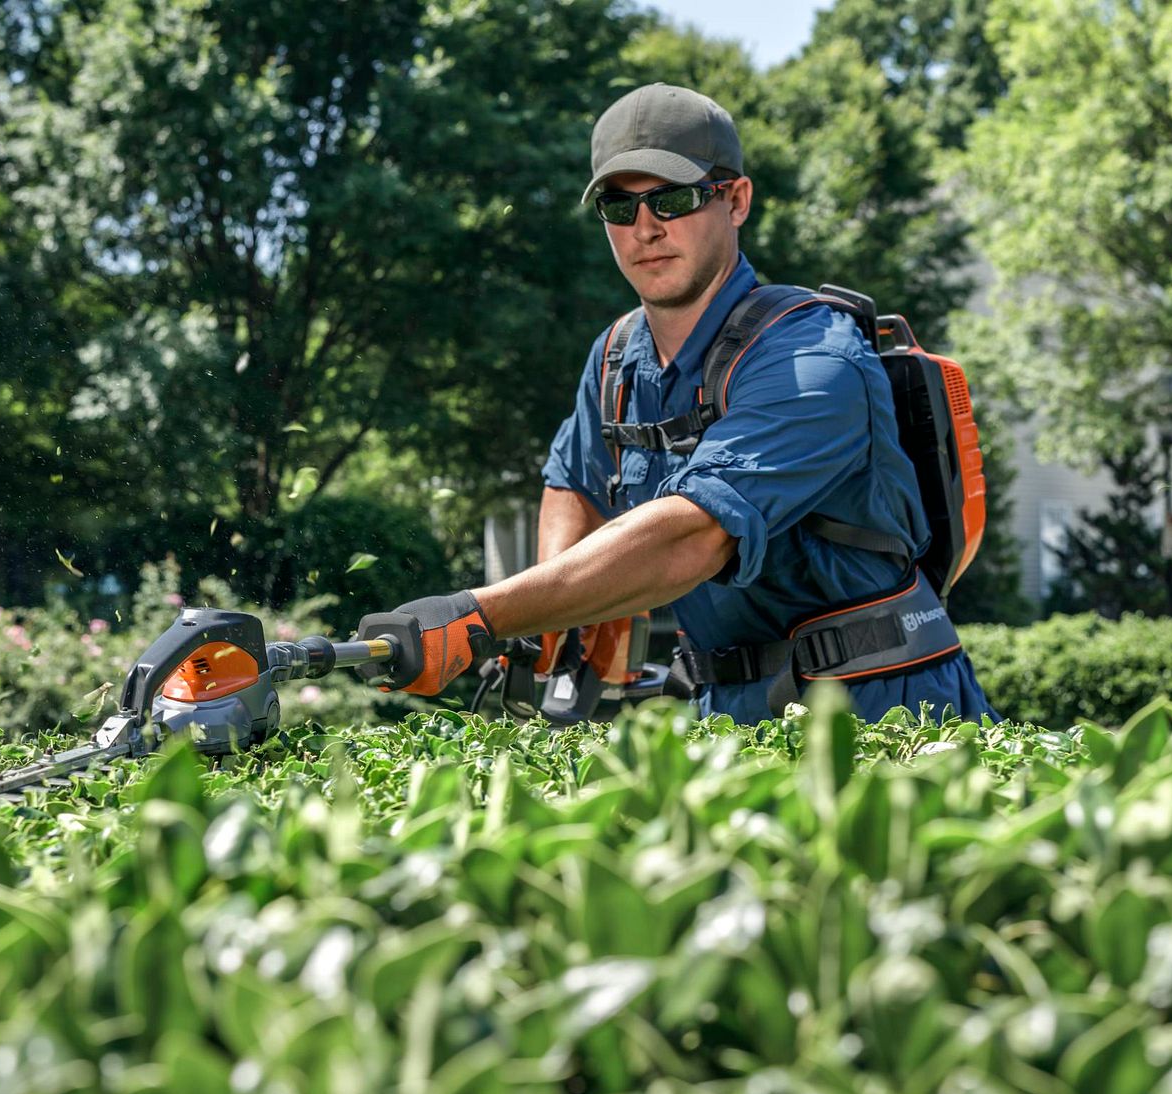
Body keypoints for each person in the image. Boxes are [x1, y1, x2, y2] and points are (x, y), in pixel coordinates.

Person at [355, 83, 995, 726]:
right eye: (618, 205)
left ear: (736, 200)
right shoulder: (615, 356)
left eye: (673, 197)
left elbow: (694, 536)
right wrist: (564, 608)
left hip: (888, 717)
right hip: (726, 719)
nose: (646, 227)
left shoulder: (813, 360)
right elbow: (573, 480)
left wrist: (481, 615)